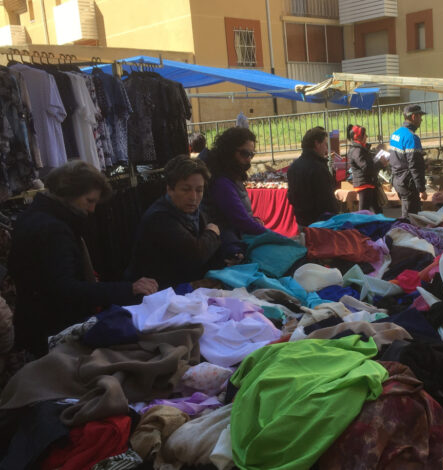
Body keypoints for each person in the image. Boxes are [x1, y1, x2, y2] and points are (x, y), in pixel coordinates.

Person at [8, 161, 158, 357]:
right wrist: (128, 289)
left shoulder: (33, 217)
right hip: (52, 334)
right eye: (89, 200)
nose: (93, 209)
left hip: (33, 326)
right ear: (69, 193)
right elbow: (67, 290)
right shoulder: (54, 231)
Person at [126, 155, 221, 290]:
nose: (193, 197)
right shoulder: (159, 218)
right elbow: (196, 255)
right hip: (159, 292)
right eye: (186, 189)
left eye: (199, 190)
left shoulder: (193, 212)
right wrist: (212, 233)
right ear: (170, 189)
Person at [202, 127, 269, 260]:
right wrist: (272, 235)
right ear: (229, 151)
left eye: (251, 154)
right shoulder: (221, 181)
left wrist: (253, 220)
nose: (249, 159)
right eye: (245, 153)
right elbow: (241, 220)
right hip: (228, 244)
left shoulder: (230, 175)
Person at [287, 126, 340, 226]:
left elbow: (291, 196)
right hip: (321, 222)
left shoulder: (293, 167)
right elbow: (327, 199)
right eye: (325, 144)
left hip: (301, 220)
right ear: (317, 144)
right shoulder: (318, 168)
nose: (326, 149)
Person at [388, 104, 428, 218]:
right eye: (420, 116)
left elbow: (397, 159)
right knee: (411, 217)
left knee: (407, 213)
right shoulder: (412, 137)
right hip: (408, 183)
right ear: (414, 117)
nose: (421, 119)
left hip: (397, 180)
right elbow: (414, 165)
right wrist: (421, 189)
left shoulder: (396, 133)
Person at [346, 124, 381, 214]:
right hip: (364, 185)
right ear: (359, 137)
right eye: (365, 135)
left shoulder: (360, 148)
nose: (366, 136)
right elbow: (366, 167)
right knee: (363, 213)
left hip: (368, 183)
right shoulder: (357, 150)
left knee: (376, 211)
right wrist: (380, 163)